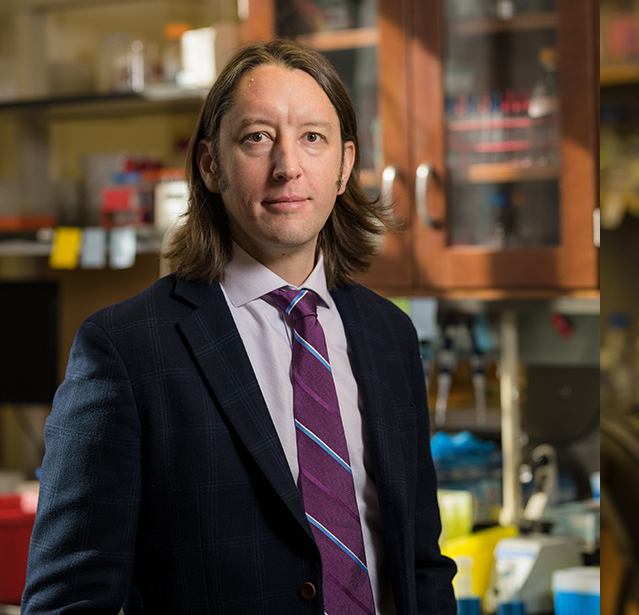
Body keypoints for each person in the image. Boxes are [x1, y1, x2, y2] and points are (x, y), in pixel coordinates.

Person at [22, 39, 456, 615]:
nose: (288, 167)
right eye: (257, 138)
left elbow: (422, 564)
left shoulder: (389, 336)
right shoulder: (124, 351)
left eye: (312, 137)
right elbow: (66, 603)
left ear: (345, 166)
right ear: (210, 166)